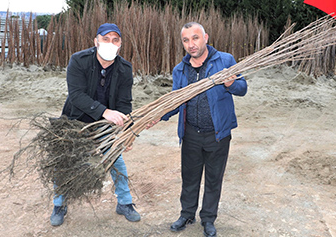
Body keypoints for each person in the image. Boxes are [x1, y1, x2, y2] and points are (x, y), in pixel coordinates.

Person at [154, 22, 247, 237]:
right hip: (191, 133)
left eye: (195, 38)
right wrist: (160, 115)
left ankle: (208, 219)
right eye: (186, 40)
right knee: (190, 178)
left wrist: (231, 83)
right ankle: (187, 214)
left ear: (205, 37)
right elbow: (176, 101)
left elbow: (243, 89)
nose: (191, 44)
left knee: (214, 179)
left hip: (217, 134)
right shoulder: (181, 69)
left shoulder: (225, 61)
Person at [51, 23, 140, 227]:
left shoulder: (124, 68)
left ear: (120, 44)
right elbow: (76, 95)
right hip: (75, 120)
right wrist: (105, 112)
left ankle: (125, 203)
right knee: (64, 162)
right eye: (106, 39)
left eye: (115, 40)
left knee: (115, 160)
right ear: (96, 41)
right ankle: (59, 204)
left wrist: (126, 132)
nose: (110, 43)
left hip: (106, 125)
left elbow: (125, 103)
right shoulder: (79, 60)